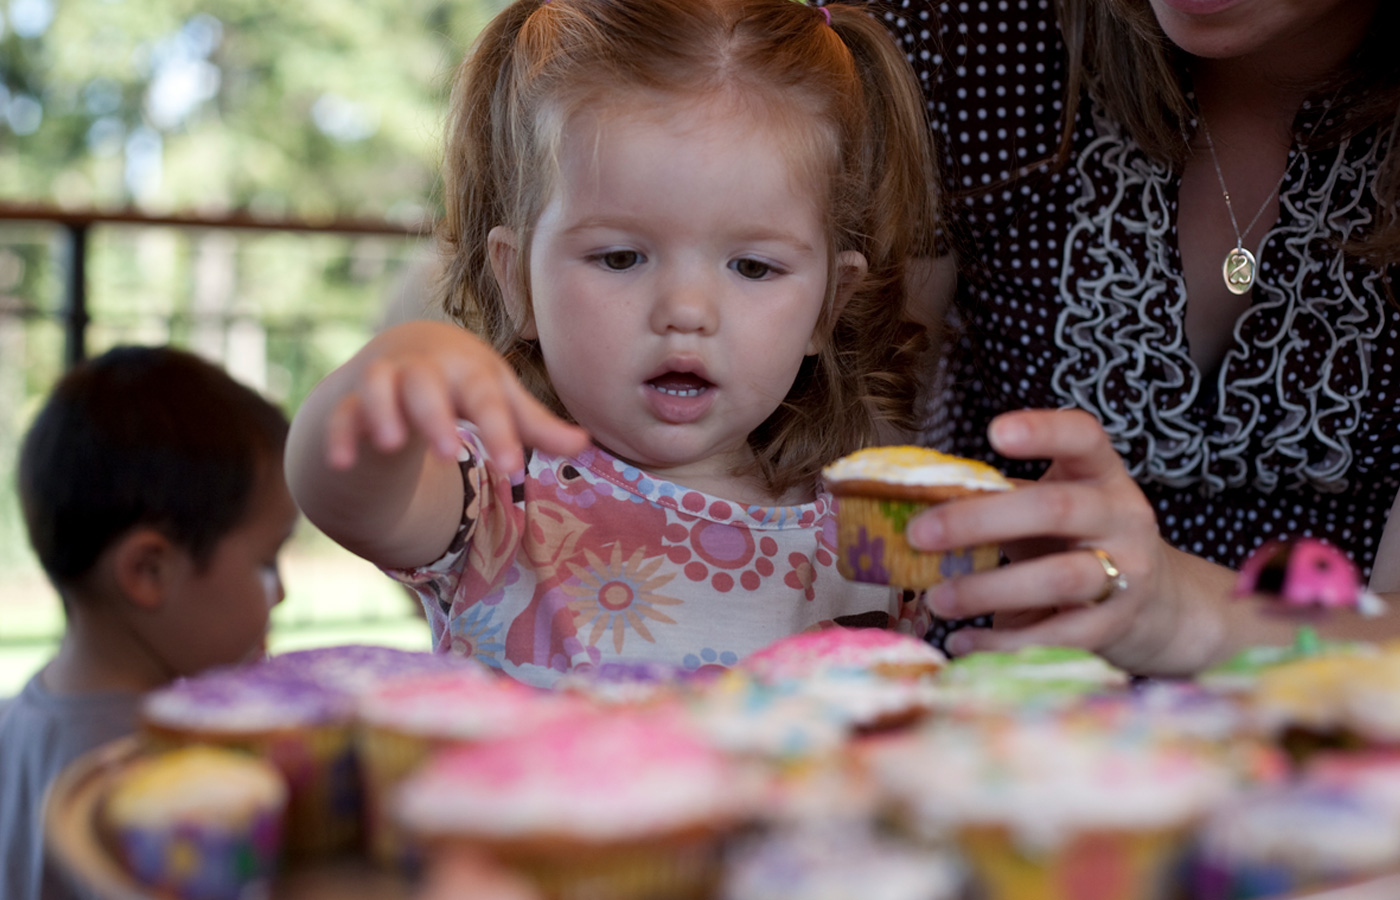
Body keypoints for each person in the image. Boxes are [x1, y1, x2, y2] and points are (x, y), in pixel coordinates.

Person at [285, 0, 941, 687]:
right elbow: (341, 493)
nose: (686, 312)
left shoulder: (880, 532)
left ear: (827, 306)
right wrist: (386, 380)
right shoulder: (495, 497)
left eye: (753, 267)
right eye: (621, 258)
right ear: (519, 283)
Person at [860, 0, 1400, 674]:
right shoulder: (962, 33)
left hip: (1333, 715)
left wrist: (1194, 616)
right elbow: (843, 470)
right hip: (980, 694)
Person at [0, 345, 298, 900]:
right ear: (149, 571)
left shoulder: (16, 718)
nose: (281, 594)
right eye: (266, 562)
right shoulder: (158, 785)